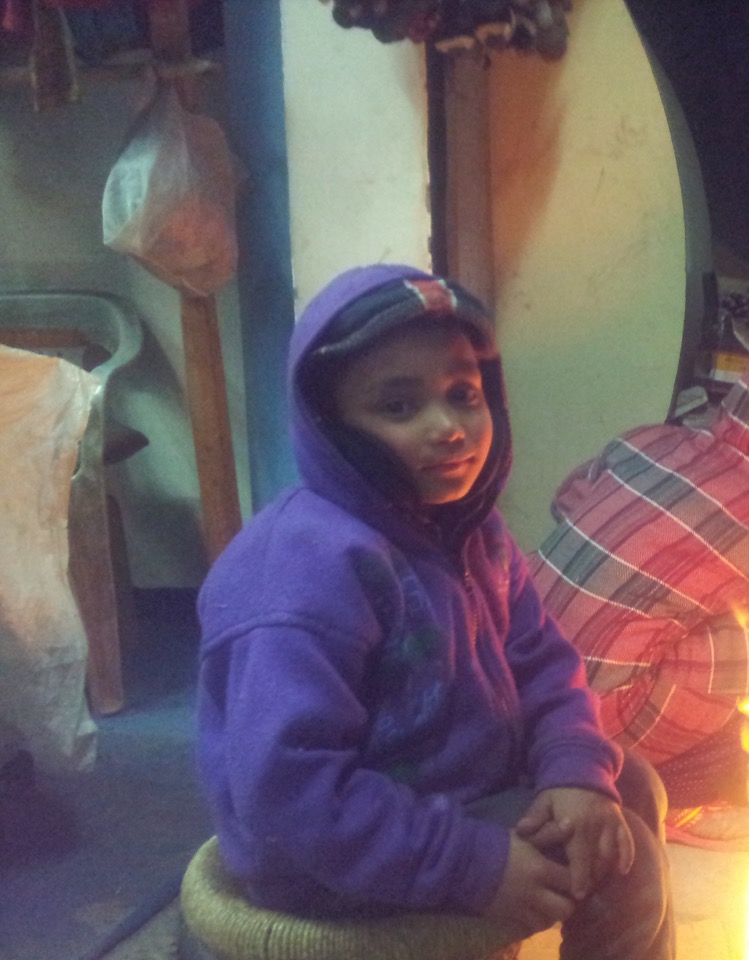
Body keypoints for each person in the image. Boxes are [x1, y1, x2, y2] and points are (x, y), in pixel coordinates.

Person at [195, 264, 673, 959]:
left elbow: (543, 664)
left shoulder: (469, 532)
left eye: (463, 394)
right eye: (398, 407)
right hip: (328, 853)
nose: (448, 427)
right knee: (625, 869)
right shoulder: (305, 573)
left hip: (450, 787)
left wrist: (573, 771)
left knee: (628, 784)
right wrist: (473, 864)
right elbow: (289, 792)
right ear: (333, 427)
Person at [528, 334, 749, 850]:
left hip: (522, 667)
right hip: (595, 727)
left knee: (692, 606)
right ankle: (681, 797)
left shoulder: (648, 441)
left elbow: (566, 500)